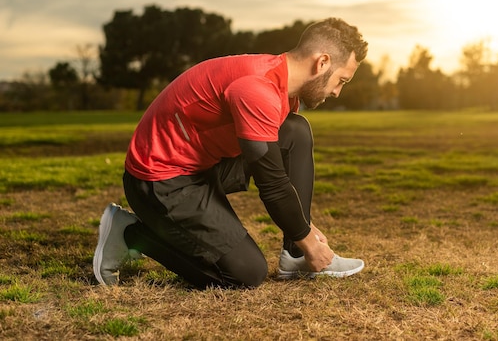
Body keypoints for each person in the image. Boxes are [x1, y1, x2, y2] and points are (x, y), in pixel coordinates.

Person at [93, 17, 368, 288]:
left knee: (294, 131)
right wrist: (307, 239)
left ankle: (294, 257)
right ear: (322, 63)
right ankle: (129, 233)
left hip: (201, 166)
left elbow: (277, 166)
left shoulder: (285, 89)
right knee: (246, 273)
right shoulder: (259, 89)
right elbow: (272, 183)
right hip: (160, 182)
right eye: (341, 80)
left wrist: (301, 234)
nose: (337, 93)